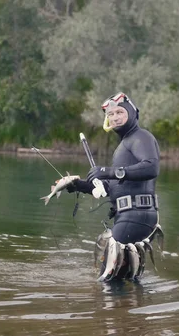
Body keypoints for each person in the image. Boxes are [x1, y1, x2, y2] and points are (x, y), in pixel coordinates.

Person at [67, 92, 161, 280]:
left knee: (106, 278)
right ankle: (129, 307)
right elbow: (111, 188)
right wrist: (78, 185)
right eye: (110, 114)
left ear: (133, 113)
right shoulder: (125, 144)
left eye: (119, 112)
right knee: (123, 277)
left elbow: (151, 166)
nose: (115, 117)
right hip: (130, 216)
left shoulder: (141, 137)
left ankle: (109, 308)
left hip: (136, 216)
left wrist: (109, 171)